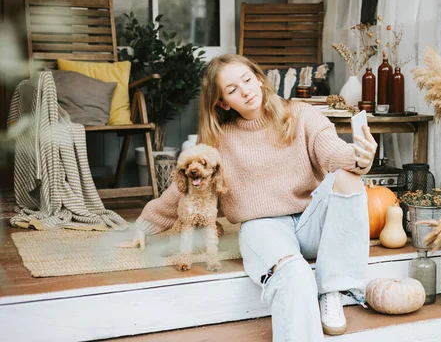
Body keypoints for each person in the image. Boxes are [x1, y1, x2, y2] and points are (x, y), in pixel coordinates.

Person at [120, 54, 377, 341]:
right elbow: (184, 190)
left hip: (310, 221)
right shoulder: (220, 140)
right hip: (263, 228)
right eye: (232, 90)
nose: (245, 90)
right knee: (295, 276)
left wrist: (358, 157)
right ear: (223, 103)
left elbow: (331, 152)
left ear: (257, 77)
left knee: (348, 177)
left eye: (247, 79)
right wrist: (143, 224)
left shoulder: (302, 114)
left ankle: (332, 289)